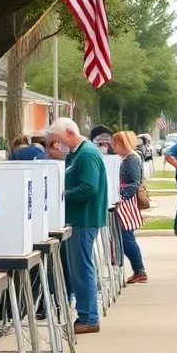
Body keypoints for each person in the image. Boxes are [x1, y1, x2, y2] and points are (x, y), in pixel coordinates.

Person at [52, 118, 108, 333]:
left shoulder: (86, 154)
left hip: (84, 219)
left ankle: (89, 317)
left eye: (59, 139)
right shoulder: (78, 153)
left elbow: (89, 188)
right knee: (78, 269)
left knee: (82, 269)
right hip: (78, 219)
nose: (58, 144)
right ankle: (86, 314)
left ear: (68, 133)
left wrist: (63, 195)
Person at [111, 131, 148, 283]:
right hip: (125, 200)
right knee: (126, 237)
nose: (114, 148)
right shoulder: (129, 157)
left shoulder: (131, 159)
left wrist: (121, 195)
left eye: (115, 145)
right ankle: (138, 269)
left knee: (127, 238)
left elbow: (134, 182)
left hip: (126, 202)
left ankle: (139, 270)